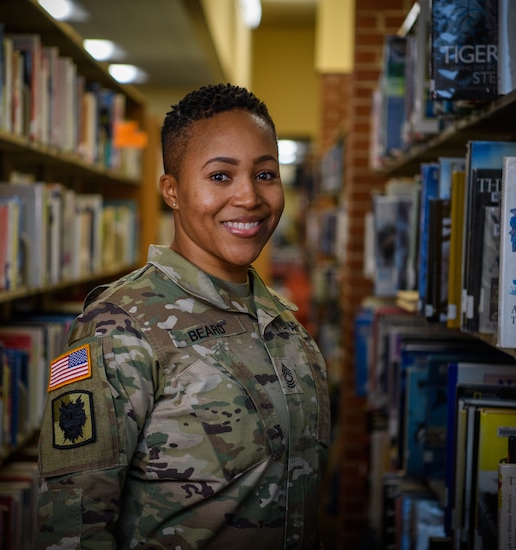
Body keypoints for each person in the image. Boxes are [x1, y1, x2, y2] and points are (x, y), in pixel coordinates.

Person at [37, 83, 331, 549]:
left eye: (266, 174)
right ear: (171, 191)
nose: (249, 197)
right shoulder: (119, 326)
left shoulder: (280, 320)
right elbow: (72, 529)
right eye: (220, 176)